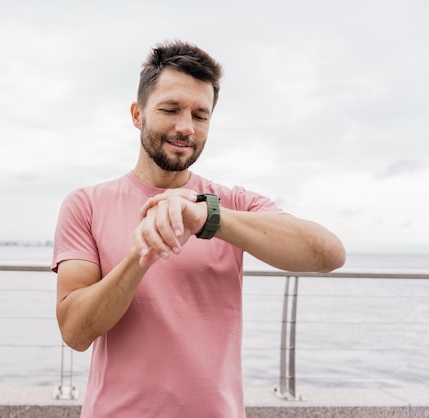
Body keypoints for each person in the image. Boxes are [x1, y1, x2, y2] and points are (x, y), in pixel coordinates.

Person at [51, 40, 346, 417]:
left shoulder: (232, 203)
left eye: (200, 115)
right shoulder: (86, 204)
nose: (185, 127)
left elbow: (329, 254)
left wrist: (207, 217)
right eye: (170, 109)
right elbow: (75, 332)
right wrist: (140, 254)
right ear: (137, 114)